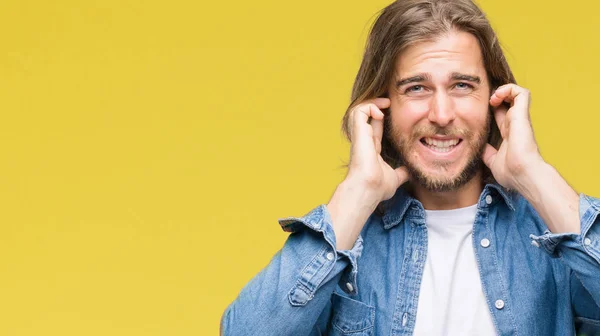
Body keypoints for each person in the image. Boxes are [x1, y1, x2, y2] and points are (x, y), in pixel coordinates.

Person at [220, 0, 600, 335]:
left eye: (463, 85)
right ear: (382, 107)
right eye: (416, 88)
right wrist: (357, 191)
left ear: (496, 100)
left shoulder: (552, 234)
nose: (441, 114)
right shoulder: (348, 240)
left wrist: (533, 173)